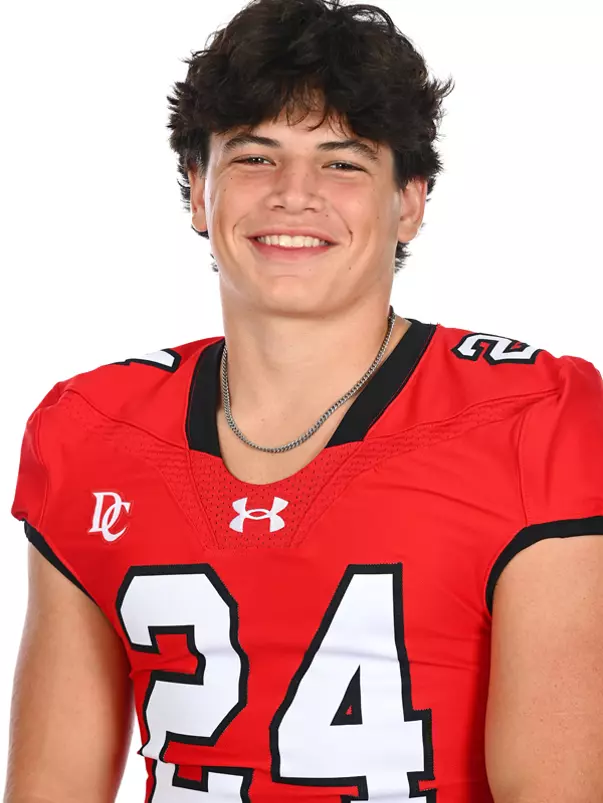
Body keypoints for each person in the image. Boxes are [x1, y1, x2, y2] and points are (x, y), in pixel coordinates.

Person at [5, 0, 603, 800]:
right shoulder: (90, 428)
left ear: (409, 202)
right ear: (197, 191)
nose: (294, 193)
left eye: (343, 162)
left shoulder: (532, 417)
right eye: (255, 158)